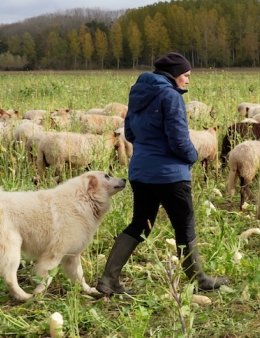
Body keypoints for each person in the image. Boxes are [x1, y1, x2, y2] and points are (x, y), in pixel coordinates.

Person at [96, 52, 228, 295]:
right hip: (170, 175)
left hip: (140, 172)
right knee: (184, 225)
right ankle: (198, 280)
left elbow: (131, 134)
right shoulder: (170, 96)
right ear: (175, 74)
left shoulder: (138, 93)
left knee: (140, 225)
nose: (188, 81)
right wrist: (192, 156)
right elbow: (179, 139)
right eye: (186, 75)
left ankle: (108, 280)